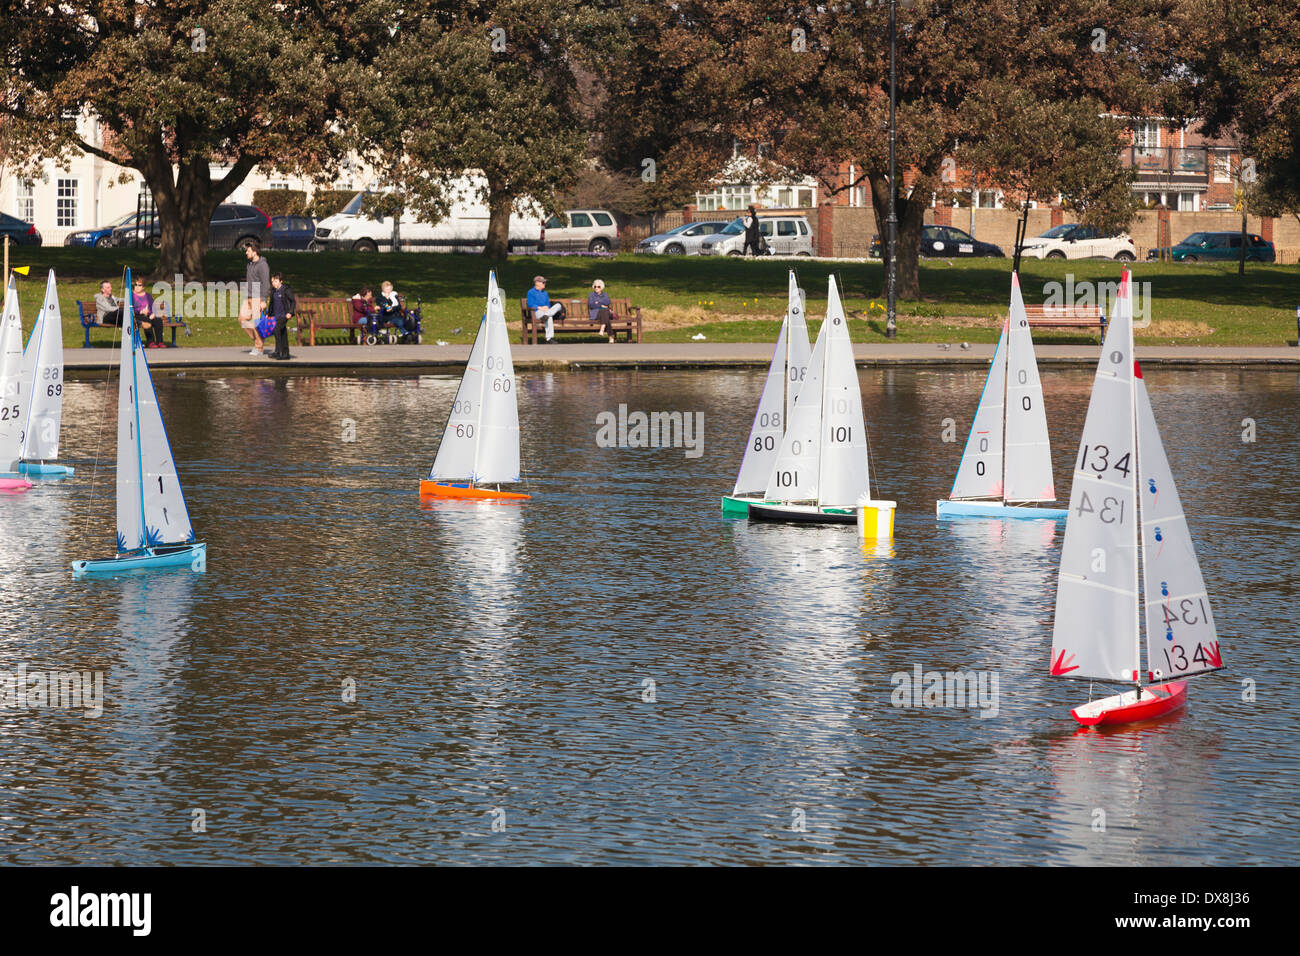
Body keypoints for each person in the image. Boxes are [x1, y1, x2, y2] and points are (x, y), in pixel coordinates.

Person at [240, 241, 271, 355]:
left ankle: (259, 347)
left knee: (256, 323)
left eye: (248, 251)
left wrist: (263, 300)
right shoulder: (249, 265)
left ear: (255, 252)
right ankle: (258, 340)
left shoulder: (263, 265)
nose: (246, 253)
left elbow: (265, 283)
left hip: (257, 297)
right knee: (242, 320)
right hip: (248, 297)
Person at [266, 273, 296, 361]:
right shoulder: (273, 291)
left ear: (281, 281)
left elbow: (293, 301)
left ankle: (280, 352)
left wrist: (290, 312)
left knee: (276, 330)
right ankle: (285, 353)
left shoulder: (285, 290)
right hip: (277, 315)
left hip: (284, 315)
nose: (273, 283)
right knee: (282, 332)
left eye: (275, 281)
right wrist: (269, 314)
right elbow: (272, 304)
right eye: (272, 282)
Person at [526, 275, 565, 343]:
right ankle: (549, 338)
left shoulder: (545, 293)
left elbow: (548, 304)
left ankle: (546, 316)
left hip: (546, 311)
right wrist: (540, 307)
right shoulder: (531, 292)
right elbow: (530, 304)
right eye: (543, 282)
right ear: (537, 283)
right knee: (549, 317)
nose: (545, 284)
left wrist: (547, 307)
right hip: (537, 311)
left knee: (558, 305)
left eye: (544, 282)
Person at [131, 276, 164, 347]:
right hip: (137, 316)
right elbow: (131, 309)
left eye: (139, 285)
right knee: (146, 320)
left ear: (143, 287)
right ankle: (150, 342)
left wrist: (152, 314)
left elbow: (153, 307)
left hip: (148, 315)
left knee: (158, 320)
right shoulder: (131, 296)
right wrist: (140, 312)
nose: (137, 287)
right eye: (135, 285)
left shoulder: (148, 296)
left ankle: (160, 342)